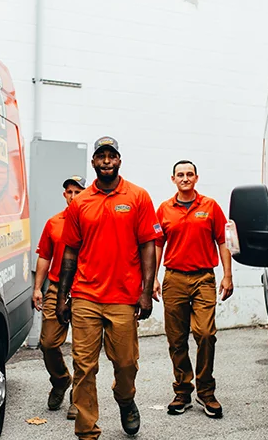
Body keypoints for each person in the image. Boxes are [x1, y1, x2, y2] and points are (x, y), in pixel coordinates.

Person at [56, 136, 162, 440]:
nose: (106, 161)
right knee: (84, 368)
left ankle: (125, 400)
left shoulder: (138, 196)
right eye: (100, 156)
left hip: (124, 297)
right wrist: (64, 296)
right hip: (86, 295)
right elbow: (70, 252)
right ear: (93, 162)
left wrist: (145, 291)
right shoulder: (80, 203)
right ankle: (87, 432)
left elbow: (148, 245)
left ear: (119, 160)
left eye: (111, 155)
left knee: (126, 364)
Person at [152, 160, 233, 419]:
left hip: (203, 279)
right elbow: (156, 246)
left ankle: (206, 392)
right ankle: (183, 391)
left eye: (189, 174)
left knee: (205, 333)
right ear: (173, 179)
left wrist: (227, 275)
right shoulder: (164, 209)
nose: (185, 178)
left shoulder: (209, 207)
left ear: (196, 178)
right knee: (176, 339)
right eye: (180, 175)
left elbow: (223, 240)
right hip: (174, 279)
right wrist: (152, 278)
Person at [32, 175, 87, 420]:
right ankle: (61, 380)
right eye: (69, 192)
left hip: (85, 289)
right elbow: (44, 256)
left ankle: (79, 396)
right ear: (64, 195)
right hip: (56, 288)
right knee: (48, 343)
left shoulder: (92, 220)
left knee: (83, 349)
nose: (73, 196)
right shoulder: (54, 223)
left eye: (78, 191)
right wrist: (37, 288)